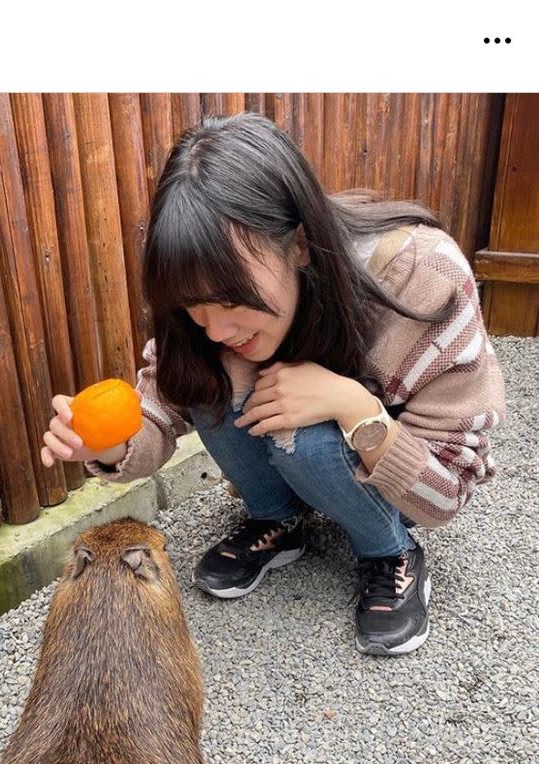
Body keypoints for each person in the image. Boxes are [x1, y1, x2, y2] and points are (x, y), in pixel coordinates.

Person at [41, 114, 505, 657]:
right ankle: (276, 520)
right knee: (207, 383)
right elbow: (161, 406)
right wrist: (112, 445)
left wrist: (353, 406)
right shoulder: (210, 320)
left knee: (303, 436)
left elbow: (446, 495)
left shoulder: (422, 277)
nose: (215, 328)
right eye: (194, 306)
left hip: (401, 483)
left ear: (301, 245)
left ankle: (389, 550)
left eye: (231, 300)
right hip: (313, 456)